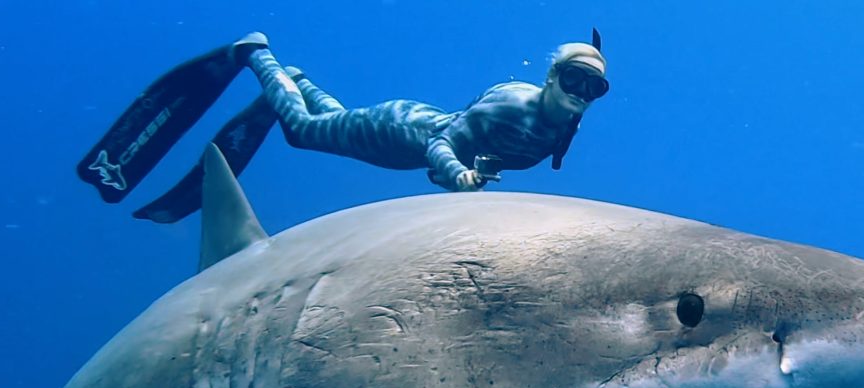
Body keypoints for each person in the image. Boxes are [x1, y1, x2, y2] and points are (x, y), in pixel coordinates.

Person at [75, 30, 610, 223]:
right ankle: (256, 55)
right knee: (303, 132)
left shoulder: (562, 127)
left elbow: (494, 154)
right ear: (550, 75)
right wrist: (460, 179)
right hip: (401, 132)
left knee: (326, 120)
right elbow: (443, 144)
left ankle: (297, 79)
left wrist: (479, 169)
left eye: (593, 88)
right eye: (573, 79)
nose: (579, 95)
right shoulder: (510, 107)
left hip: (407, 135)